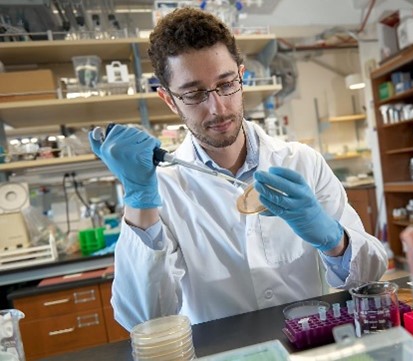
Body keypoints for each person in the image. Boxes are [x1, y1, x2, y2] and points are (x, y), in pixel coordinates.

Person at [89, 7, 387, 330]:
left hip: (308, 350)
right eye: (194, 93)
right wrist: (138, 201)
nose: (217, 107)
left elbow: (372, 275)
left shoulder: (303, 163)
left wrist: (334, 240)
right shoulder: (162, 191)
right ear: (169, 100)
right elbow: (143, 320)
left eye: (227, 84)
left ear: (242, 76)